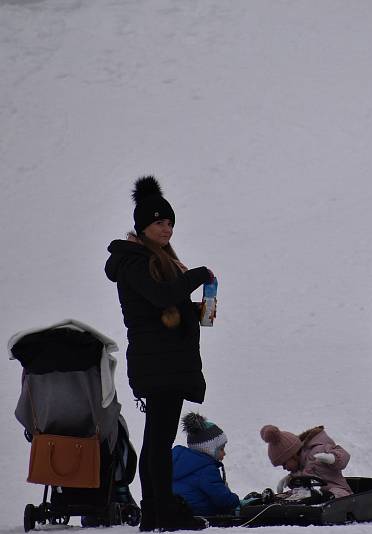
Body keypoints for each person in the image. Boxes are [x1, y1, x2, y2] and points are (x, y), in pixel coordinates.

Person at [105, 176, 213, 531]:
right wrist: (198, 275)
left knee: (157, 438)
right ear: (143, 226)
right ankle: (161, 509)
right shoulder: (135, 261)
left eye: (169, 223)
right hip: (158, 362)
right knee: (158, 440)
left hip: (166, 360)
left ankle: (155, 511)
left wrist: (195, 312)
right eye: (159, 223)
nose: (166, 229)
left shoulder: (159, 261)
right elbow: (161, 297)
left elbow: (165, 305)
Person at [172, 413, 240, 517]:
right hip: (199, 513)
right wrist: (237, 501)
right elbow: (223, 499)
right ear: (209, 450)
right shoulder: (206, 469)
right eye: (221, 449)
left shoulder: (177, 462)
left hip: (179, 510)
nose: (224, 453)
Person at [259, 424, 352, 499]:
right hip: (311, 494)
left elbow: (344, 455)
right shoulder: (299, 467)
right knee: (294, 494)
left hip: (336, 490)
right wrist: (290, 478)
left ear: (293, 455)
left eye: (284, 463)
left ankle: (322, 499)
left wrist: (334, 458)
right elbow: (304, 478)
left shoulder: (318, 451)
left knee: (337, 495)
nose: (284, 468)